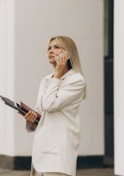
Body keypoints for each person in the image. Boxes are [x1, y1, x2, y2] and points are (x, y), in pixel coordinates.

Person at [24, 36, 86, 176]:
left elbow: (49, 105)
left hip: (58, 151)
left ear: (68, 53)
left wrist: (58, 73)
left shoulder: (76, 80)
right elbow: (42, 113)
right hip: (41, 149)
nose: (51, 51)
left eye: (57, 47)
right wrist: (30, 120)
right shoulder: (46, 80)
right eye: (49, 48)